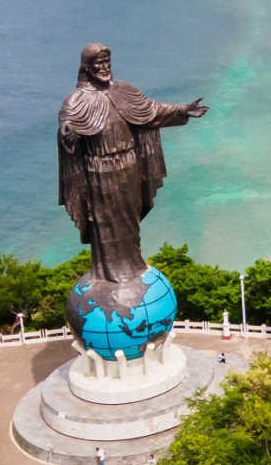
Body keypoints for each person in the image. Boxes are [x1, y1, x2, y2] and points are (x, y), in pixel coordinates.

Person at [58, 44, 208, 287]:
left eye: (107, 62)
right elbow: (67, 125)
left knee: (130, 219)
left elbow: (152, 112)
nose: (104, 68)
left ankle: (133, 264)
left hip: (129, 165)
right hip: (101, 171)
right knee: (106, 222)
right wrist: (67, 134)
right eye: (98, 64)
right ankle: (109, 271)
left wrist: (183, 110)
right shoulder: (76, 100)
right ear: (87, 67)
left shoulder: (124, 90)